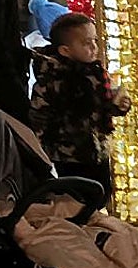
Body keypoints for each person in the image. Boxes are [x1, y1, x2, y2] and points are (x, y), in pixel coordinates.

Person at [29, 13, 130, 198]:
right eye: (86, 43)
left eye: (95, 40)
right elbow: (39, 117)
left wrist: (119, 105)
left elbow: (103, 106)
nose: (94, 47)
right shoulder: (52, 81)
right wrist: (41, 152)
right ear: (65, 50)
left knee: (102, 192)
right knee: (77, 197)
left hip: (97, 148)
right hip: (68, 154)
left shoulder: (96, 73)